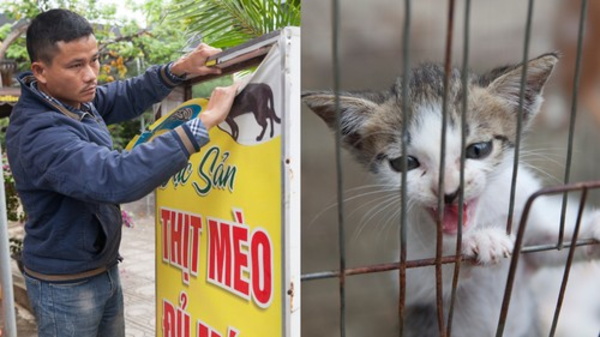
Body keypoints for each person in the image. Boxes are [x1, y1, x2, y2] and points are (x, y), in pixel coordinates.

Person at [5, 8, 239, 337]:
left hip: (102, 269)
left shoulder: (71, 100)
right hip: (66, 289)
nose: (91, 75)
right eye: (76, 65)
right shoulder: (39, 133)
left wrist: (178, 69)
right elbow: (115, 177)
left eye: (94, 60)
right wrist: (203, 123)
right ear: (40, 71)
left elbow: (122, 95)